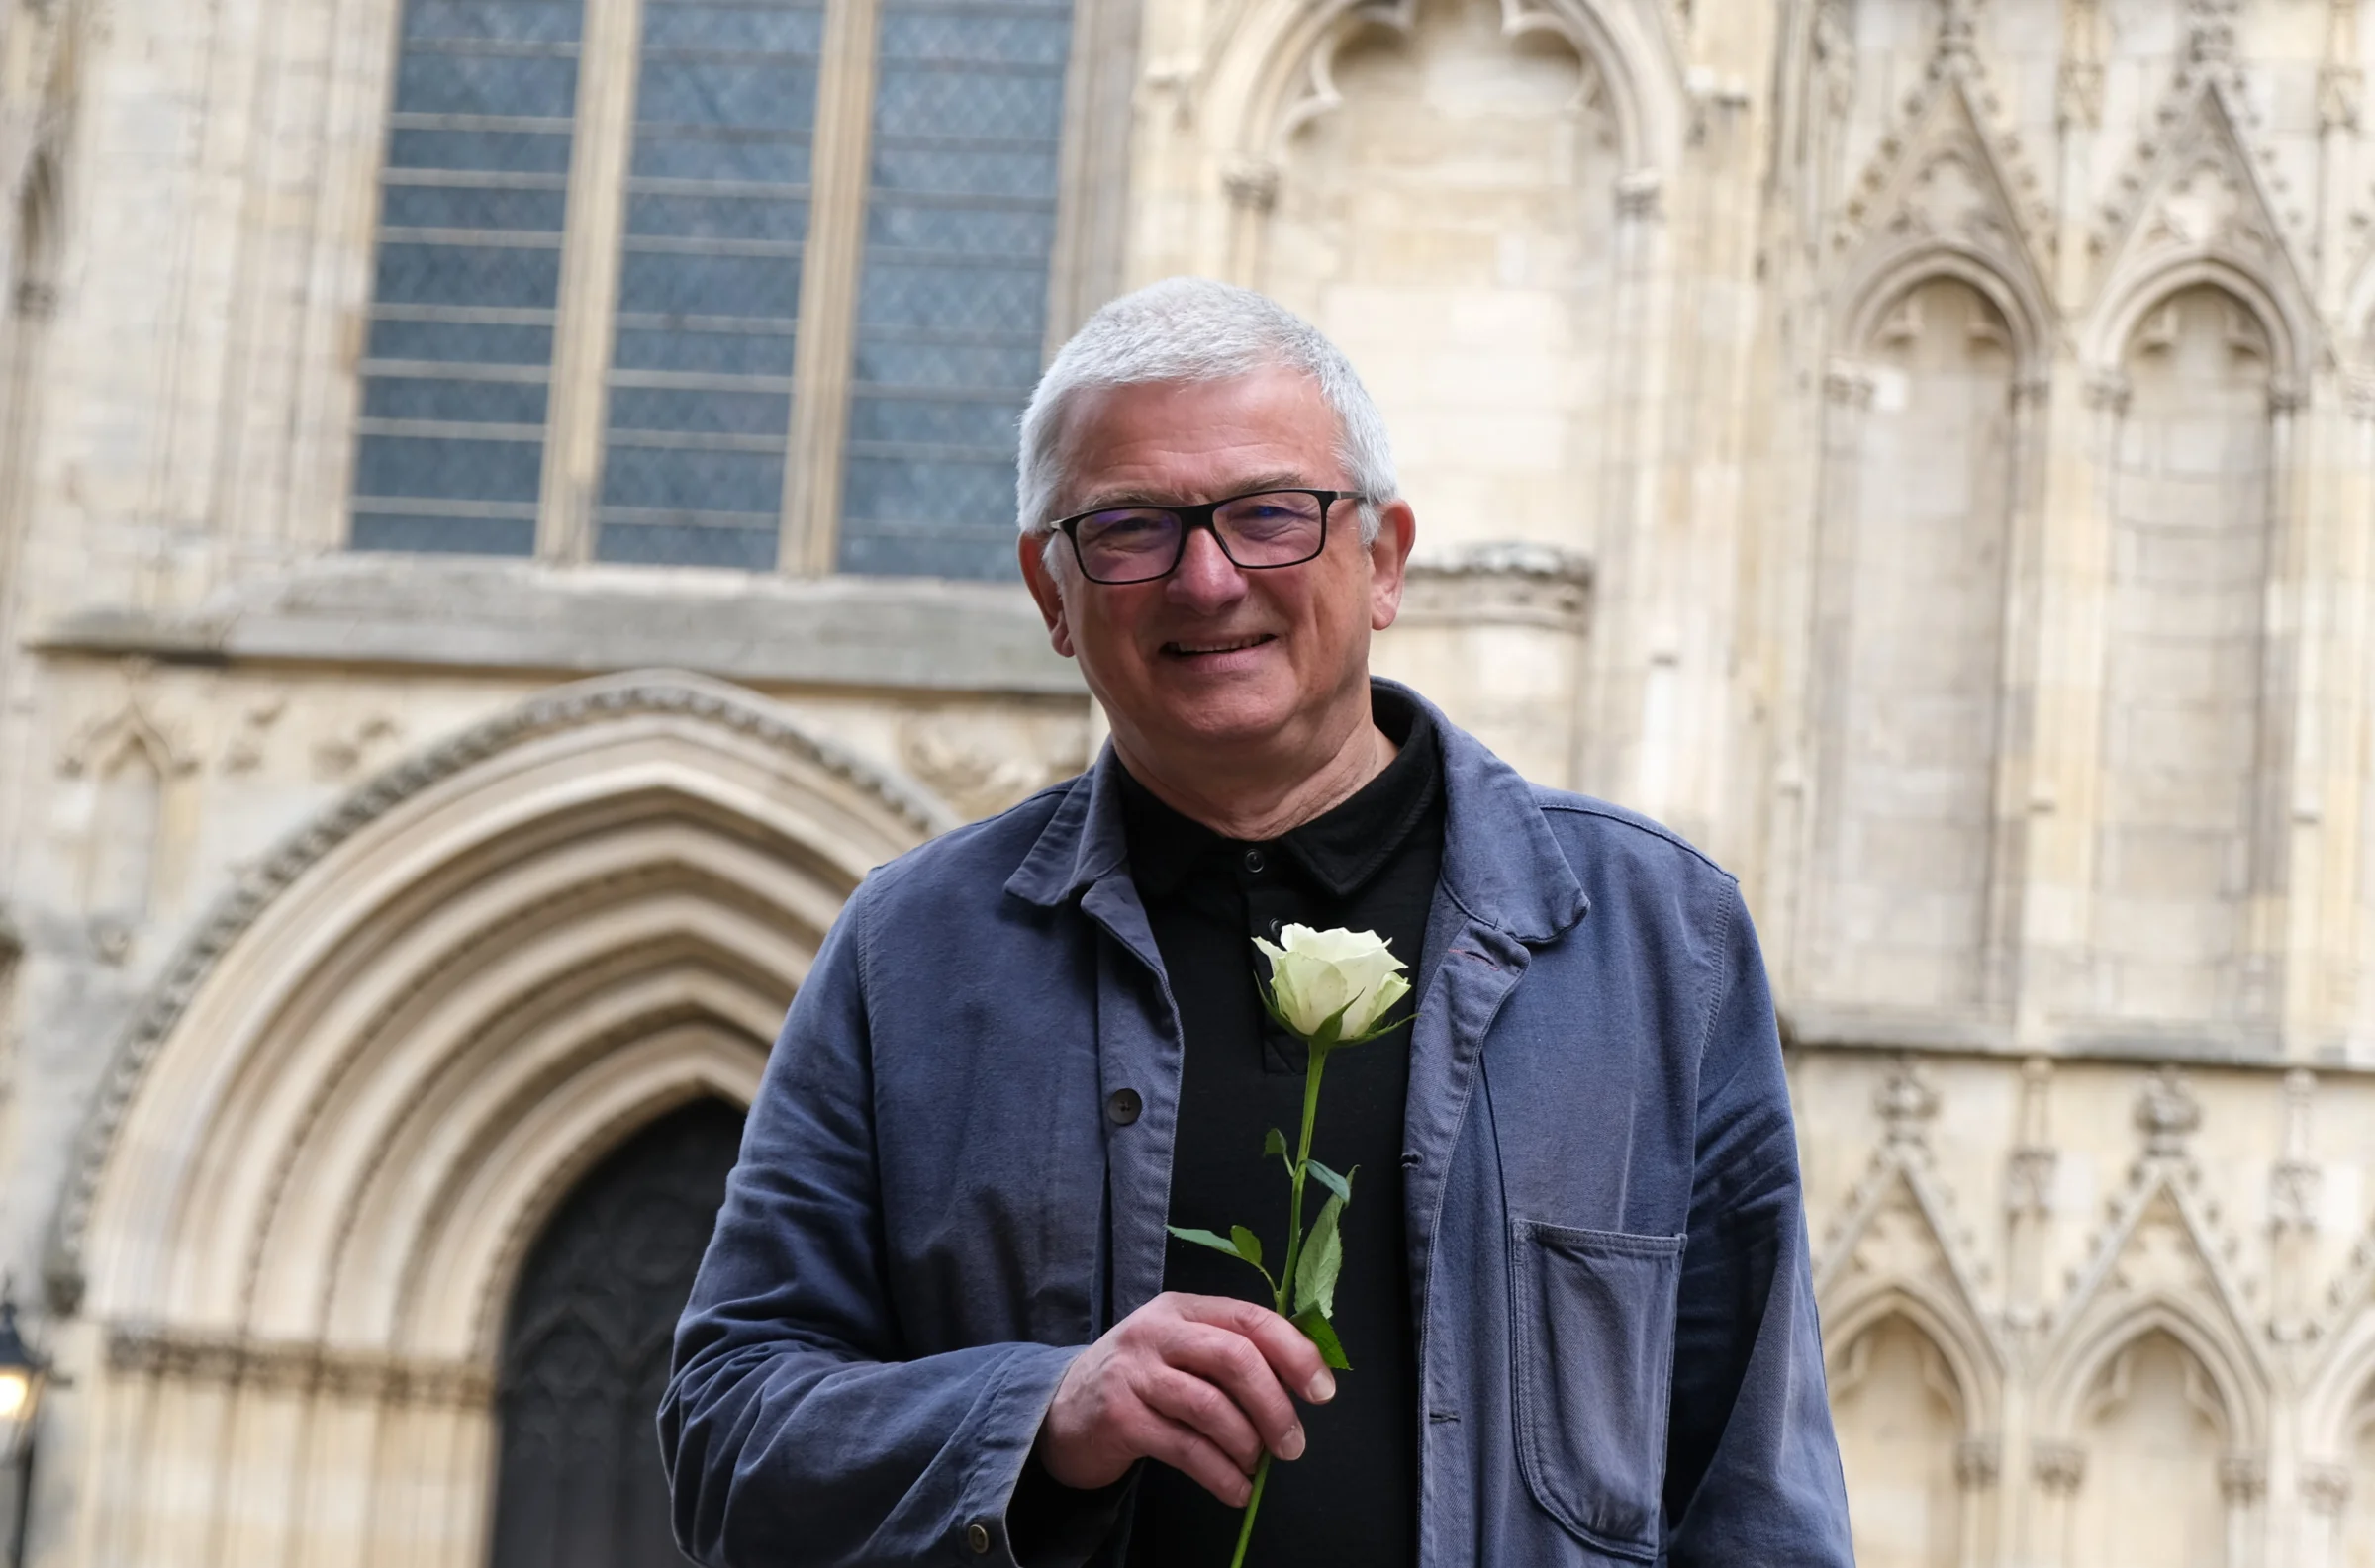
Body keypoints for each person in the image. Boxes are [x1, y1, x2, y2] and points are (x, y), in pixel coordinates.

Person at [661, 278, 1854, 1567]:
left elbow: (1755, 1495)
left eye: (1272, 516)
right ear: (1050, 593)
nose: (1208, 577)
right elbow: (729, 1437)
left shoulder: (1649, 939)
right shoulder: (917, 952)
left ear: (1385, 559)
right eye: (1127, 529)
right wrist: (1039, 1416)